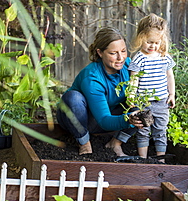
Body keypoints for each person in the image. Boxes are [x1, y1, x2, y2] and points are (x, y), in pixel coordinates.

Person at [56, 27, 143, 156]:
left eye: (123, 51)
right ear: (100, 53)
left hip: (110, 117)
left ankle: (116, 143)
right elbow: (103, 120)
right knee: (73, 98)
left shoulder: (129, 66)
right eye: (113, 53)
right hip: (81, 119)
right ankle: (84, 143)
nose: (120, 58)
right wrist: (127, 120)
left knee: (145, 100)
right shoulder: (92, 77)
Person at [128, 13, 176, 161]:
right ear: (140, 38)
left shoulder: (164, 57)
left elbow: (170, 76)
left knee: (160, 130)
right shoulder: (139, 58)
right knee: (143, 129)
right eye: (149, 42)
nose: (152, 46)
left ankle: (160, 159)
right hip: (144, 102)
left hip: (161, 102)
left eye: (156, 42)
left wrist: (172, 94)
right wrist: (131, 95)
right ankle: (143, 158)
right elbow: (134, 79)